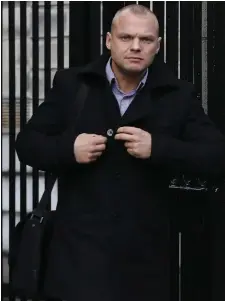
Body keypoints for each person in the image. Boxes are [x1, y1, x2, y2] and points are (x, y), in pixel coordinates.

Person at [15, 4, 225, 301]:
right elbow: (27, 144)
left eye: (146, 40)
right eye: (126, 38)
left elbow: (216, 155)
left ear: (158, 46)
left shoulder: (177, 95)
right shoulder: (73, 85)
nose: (136, 46)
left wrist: (158, 148)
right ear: (108, 41)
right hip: (78, 257)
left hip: (144, 262)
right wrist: (68, 149)